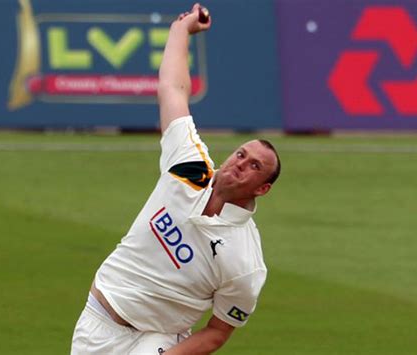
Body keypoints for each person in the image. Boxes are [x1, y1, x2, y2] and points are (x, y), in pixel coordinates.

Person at [71, 3, 281, 354]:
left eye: (255, 166)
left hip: (157, 342)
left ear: (263, 188)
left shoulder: (245, 262)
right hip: (96, 323)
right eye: (242, 154)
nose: (241, 163)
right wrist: (181, 30)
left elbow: (217, 332)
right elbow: (172, 90)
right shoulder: (189, 165)